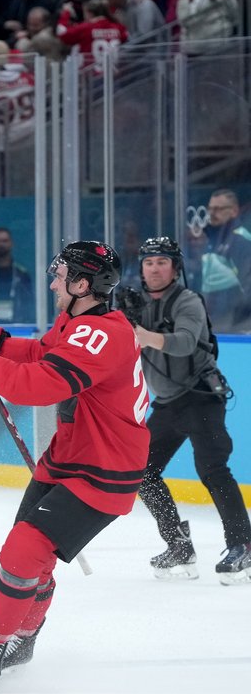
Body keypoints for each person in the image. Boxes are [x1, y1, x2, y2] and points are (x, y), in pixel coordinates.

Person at [0, 241, 149, 689]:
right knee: (29, 561)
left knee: (23, 551)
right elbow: (39, 355)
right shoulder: (78, 320)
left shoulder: (103, 333)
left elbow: (39, 386)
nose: (52, 283)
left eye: (60, 275)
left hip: (103, 472)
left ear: (82, 284)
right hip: (66, 460)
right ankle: (24, 636)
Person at [117, 237, 250, 584]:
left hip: (201, 396)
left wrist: (144, 335)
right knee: (141, 471)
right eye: (149, 262)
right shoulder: (136, 305)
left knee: (213, 470)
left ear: (175, 268)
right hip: (166, 403)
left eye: (162, 262)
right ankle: (179, 546)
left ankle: (243, 546)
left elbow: (187, 341)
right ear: (141, 269)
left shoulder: (188, 300)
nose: (155, 268)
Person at [188, 189, 251, 333]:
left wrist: (242, 322)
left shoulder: (241, 241)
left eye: (218, 209)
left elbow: (248, 286)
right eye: (210, 208)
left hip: (233, 324)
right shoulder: (212, 239)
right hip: (213, 320)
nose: (212, 213)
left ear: (234, 211)